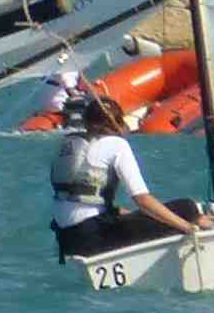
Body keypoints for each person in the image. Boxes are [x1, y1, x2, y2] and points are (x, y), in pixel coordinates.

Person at [46, 80, 204, 260]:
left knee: (125, 213)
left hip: (67, 240)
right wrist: (187, 226)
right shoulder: (117, 144)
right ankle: (207, 234)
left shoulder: (66, 145)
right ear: (116, 122)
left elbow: (78, 200)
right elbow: (142, 200)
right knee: (187, 207)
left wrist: (122, 213)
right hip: (96, 237)